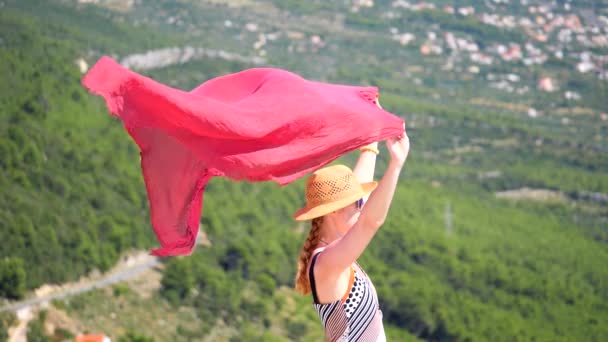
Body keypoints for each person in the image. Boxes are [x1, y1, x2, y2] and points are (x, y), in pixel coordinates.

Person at [293, 120, 410, 341]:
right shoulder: (326, 263)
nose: (363, 206)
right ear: (333, 211)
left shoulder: (332, 252)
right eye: (357, 204)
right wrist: (395, 164)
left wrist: (372, 136)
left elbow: (361, 193)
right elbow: (370, 222)